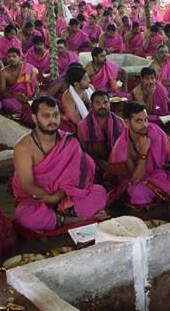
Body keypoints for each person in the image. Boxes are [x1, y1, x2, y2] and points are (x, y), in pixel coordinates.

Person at [12, 97, 109, 232]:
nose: (52, 120)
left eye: (55, 115)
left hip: (65, 194)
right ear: (34, 118)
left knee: (99, 193)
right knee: (26, 216)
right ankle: (75, 219)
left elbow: (78, 177)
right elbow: (27, 185)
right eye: (46, 116)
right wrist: (49, 198)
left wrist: (59, 195)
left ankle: (59, 218)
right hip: (38, 198)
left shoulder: (69, 141)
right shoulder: (23, 148)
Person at [77, 91, 126, 169]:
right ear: (91, 106)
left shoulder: (120, 123)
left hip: (116, 162)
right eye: (97, 103)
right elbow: (82, 152)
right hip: (93, 164)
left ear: (110, 104)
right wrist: (100, 163)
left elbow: (124, 147)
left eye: (105, 102)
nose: (102, 106)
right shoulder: (83, 126)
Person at [0, 48, 39, 119]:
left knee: (43, 98)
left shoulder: (29, 68)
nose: (11, 59)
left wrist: (34, 96)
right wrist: (17, 97)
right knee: (6, 103)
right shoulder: (3, 72)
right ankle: (27, 113)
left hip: (29, 97)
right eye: (9, 57)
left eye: (14, 56)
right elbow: (2, 92)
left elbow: (36, 86)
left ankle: (28, 112)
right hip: (14, 97)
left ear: (20, 57)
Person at [60, 64, 94, 133]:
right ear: (76, 83)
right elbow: (78, 123)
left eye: (87, 77)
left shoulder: (90, 88)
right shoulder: (68, 98)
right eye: (85, 79)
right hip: (78, 127)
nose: (89, 80)